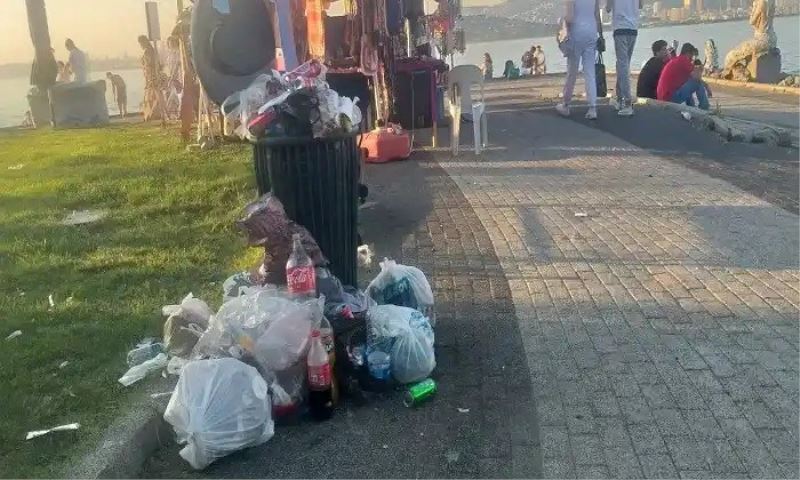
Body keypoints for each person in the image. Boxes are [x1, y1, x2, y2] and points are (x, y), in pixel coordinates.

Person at [555, 0, 603, 120]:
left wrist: (562, 22)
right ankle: (592, 108)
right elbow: (597, 14)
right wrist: (601, 35)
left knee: (572, 71)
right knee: (589, 72)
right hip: (591, 32)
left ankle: (565, 104)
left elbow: (570, 18)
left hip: (576, 33)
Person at [606, 0, 641, 116]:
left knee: (622, 65)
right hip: (633, 28)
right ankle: (619, 98)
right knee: (623, 65)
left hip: (620, 27)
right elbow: (640, 5)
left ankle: (627, 102)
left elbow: (608, 8)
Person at [657, 43, 709, 110]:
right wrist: (707, 86)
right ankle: (704, 107)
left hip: (663, 98)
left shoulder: (677, 60)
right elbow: (697, 78)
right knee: (697, 83)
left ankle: (691, 107)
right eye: (692, 55)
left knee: (688, 83)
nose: (692, 58)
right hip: (669, 99)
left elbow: (690, 79)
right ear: (687, 53)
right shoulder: (683, 60)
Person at [138, 35, 168, 127]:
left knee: (155, 96)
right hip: (151, 76)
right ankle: (158, 115)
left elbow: (152, 65)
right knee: (156, 96)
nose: (141, 45)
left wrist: (151, 76)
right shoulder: (151, 51)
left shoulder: (149, 52)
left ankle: (160, 115)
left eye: (141, 43)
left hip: (152, 77)